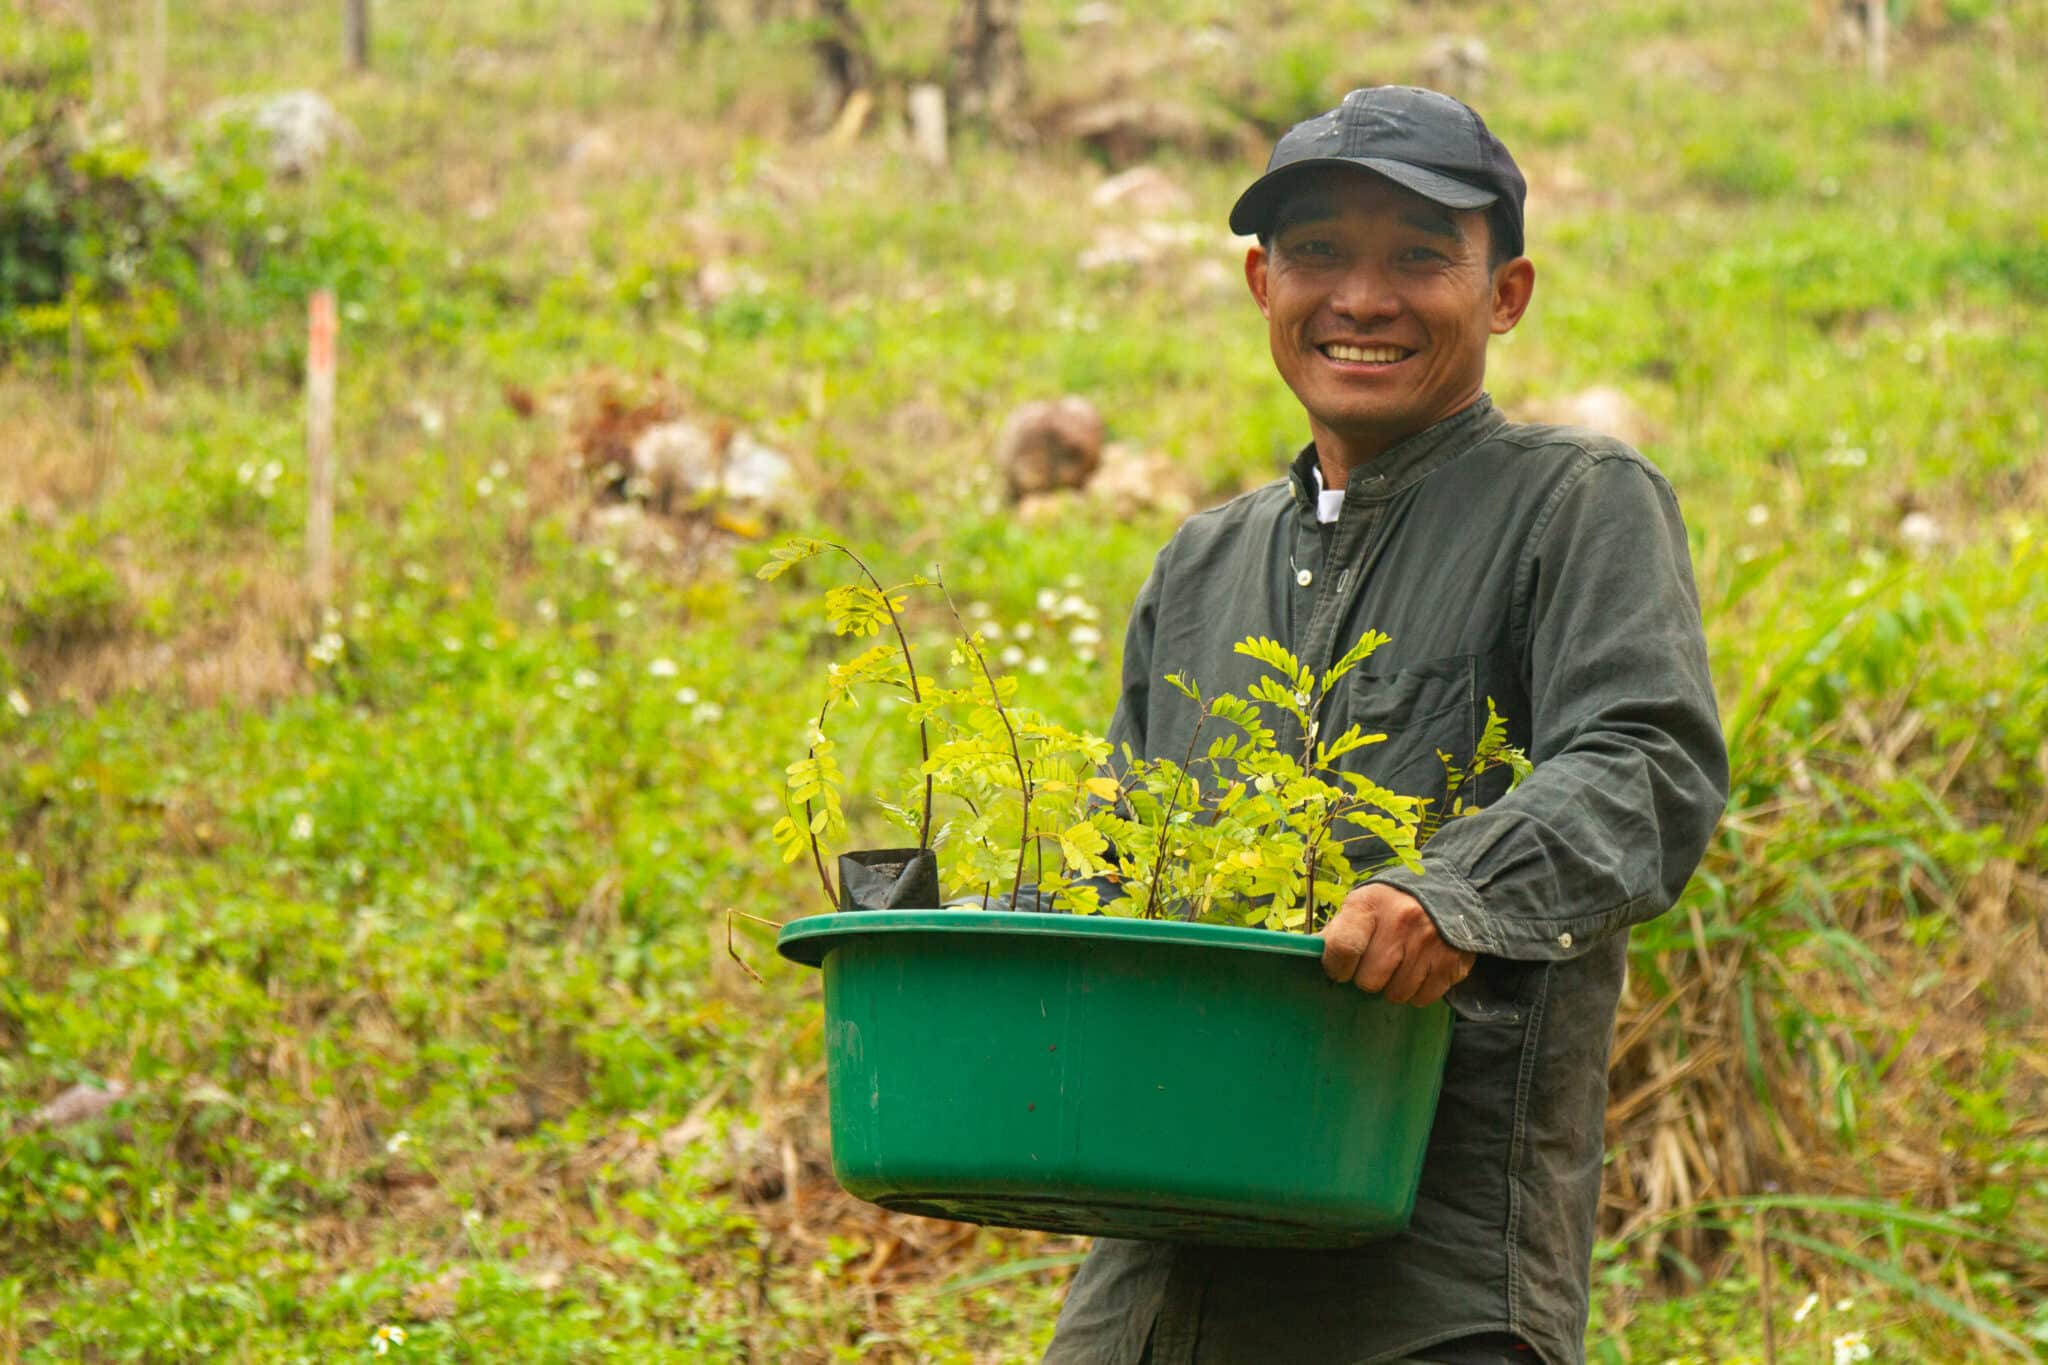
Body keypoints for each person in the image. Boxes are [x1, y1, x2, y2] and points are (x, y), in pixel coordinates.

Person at [1042, 86, 1730, 1365]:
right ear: (1260, 281)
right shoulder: (1198, 568)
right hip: (1151, 1287)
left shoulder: (1578, 507)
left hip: (1429, 1291)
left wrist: (1449, 899)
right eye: (1317, 254)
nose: (1360, 299)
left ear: (1505, 293)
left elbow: (1645, 763)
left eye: (1418, 257)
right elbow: (1118, 865)